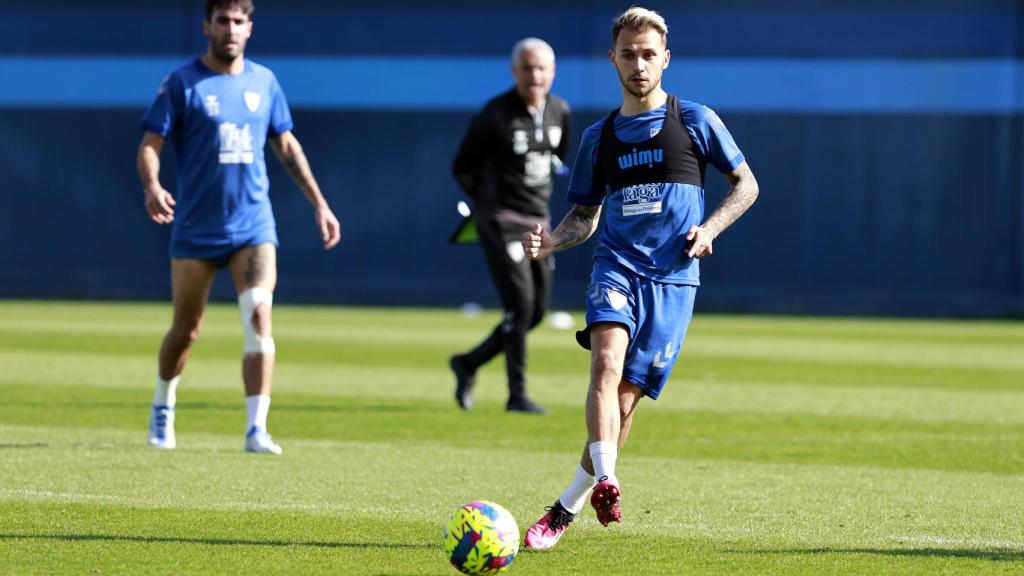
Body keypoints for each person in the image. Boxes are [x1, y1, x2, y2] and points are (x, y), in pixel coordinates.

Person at [520, 7, 759, 548]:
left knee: (624, 402)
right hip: (617, 266)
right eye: (627, 54)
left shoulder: (695, 121)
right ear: (613, 58)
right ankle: (608, 479)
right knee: (604, 361)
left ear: (666, 59)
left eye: (648, 54)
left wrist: (711, 228)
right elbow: (583, 217)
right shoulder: (599, 138)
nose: (638, 64)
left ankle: (565, 506)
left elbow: (746, 185)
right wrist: (554, 239)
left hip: (674, 279)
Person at [137, 0, 341, 454]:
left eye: (239, 21)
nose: (231, 29)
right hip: (195, 227)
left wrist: (320, 204)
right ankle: (163, 403)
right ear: (207, 25)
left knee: (259, 317)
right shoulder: (182, 83)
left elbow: (286, 145)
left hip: (252, 226)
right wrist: (152, 185)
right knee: (186, 330)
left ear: (250, 28)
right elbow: (150, 144)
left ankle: (256, 428)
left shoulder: (265, 82)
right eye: (223, 20)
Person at [449, 38, 572, 415]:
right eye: (527, 68)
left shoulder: (560, 112)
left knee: (535, 313)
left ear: (552, 73)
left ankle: (468, 363)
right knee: (519, 306)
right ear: (514, 71)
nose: (535, 76)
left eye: (542, 69)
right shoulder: (495, 115)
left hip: (540, 223)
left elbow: (559, 156)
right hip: (501, 220)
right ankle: (516, 395)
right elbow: (462, 166)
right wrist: (487, 203)